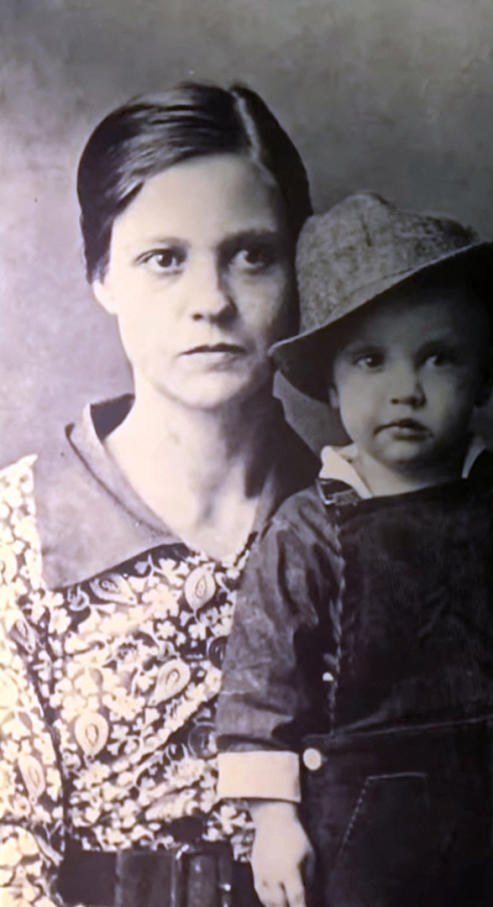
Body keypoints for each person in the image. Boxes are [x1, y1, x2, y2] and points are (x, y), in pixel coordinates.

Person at [215, 192, 493, 907]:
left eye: (439, 358)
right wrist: (274, 820)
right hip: (371, 847)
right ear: (330, 379)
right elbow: (262, 693)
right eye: (371, 360)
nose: (405, 390)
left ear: (481, 377)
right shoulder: (307, 531)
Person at [0, 83, 318, 907]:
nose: (210, 300)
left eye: (251, 254)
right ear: (103, 275)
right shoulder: (18, 534)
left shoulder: (354, 518)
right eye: (164, 258)